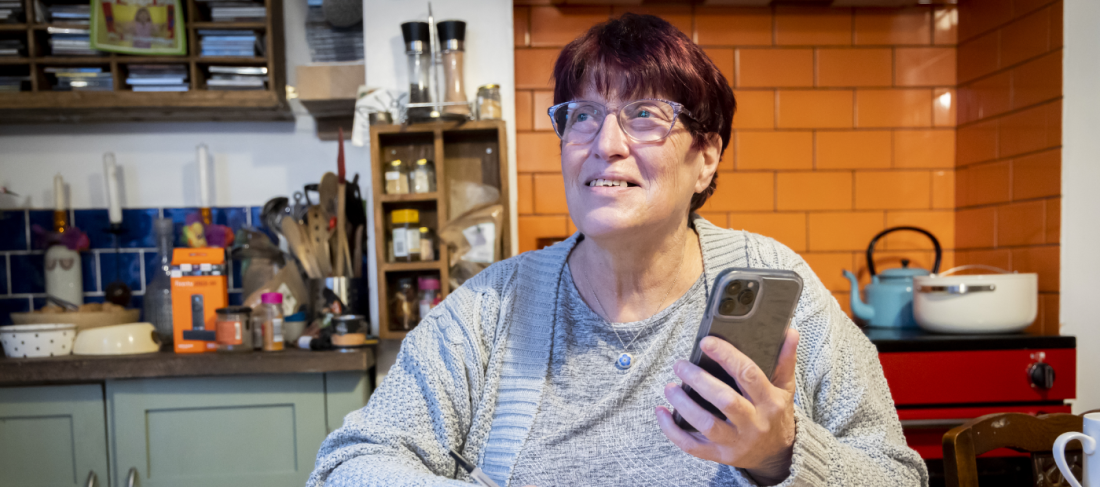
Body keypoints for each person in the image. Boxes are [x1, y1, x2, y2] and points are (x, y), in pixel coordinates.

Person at [309, 13, 928, 487]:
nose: (605, 142)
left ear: (706, 156)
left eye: (645, 114)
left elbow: (900, 475)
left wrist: (780, 455)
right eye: (582, 115)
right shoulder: (491, 307)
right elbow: (349, 464)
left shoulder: (774, 283)